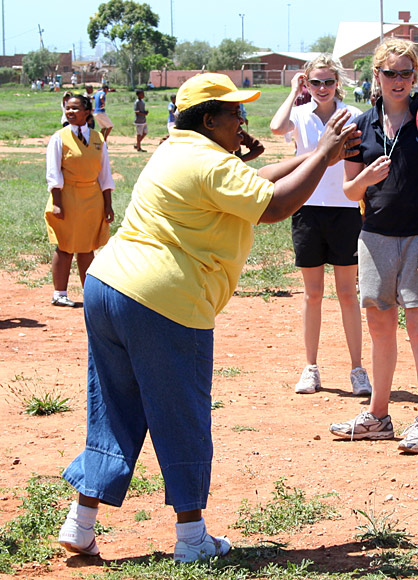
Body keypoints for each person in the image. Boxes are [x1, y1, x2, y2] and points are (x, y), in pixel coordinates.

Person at [56, 73, 357, 563]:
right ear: (209, 119)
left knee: (116, 408)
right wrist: (322, 153)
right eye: (235, 113)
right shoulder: (209, 162)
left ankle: (81, 521)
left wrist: (313, 157)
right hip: (162, 300)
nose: (243, 120)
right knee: (181, 415)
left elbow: (253, 182)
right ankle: (192, 539)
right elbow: (274, 205)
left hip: (107, 287)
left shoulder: (183, 151)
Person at [329, 38, 418, 453]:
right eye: (390, 73)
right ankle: (379, 417)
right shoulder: (360, 126)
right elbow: (349, 190)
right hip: (375, 237)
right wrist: (365, 180)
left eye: (405, 73)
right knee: (380, 328)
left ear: (415, 76)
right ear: (376, 76)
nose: (398, 80)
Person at [269, 54, 369, 396]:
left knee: (347, 294)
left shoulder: (353, 116)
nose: (322, 88)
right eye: (315, 82)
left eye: (328, 82)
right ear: (306, 83)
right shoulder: (299, 114)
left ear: (337, 82)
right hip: (306, 209)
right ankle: (310, 368)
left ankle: (357, 369)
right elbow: (276, 127)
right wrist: (293, 91)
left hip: (344, 209)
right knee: (313, 294)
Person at [45, 94, 115, 307]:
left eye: (75, 108)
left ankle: (90, 296)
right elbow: (53, 172)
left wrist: (108, 204)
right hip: (67, 197)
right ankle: (60, 293)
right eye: (68, 108)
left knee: (87, 247)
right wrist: (57, 202)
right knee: (65, 247)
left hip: (92, 199)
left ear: (87, 112)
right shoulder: (59, 137)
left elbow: (105, 175)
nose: (70, 112)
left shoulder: (97, 139)